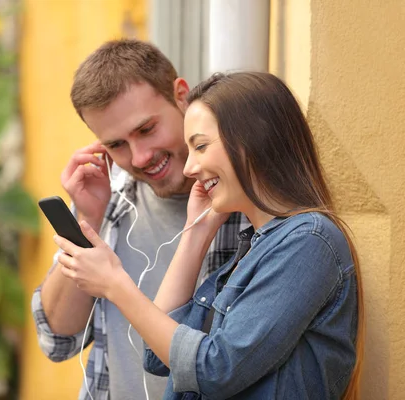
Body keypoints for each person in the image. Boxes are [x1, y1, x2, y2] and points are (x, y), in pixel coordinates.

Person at [54, 72, 364, 399]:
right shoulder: (249, 250)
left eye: (200, 146)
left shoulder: (308, 241)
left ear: (253, 140)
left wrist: (115, 284)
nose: (190, 168)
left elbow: (216, 369)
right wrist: (196, 232)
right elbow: (156, 354)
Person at [31, 40, 250, 400]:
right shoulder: (111, 200)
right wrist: (88, 216)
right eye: (116, 145)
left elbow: (226, 365)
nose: (140, 157)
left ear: (181, 95)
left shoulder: (244, 206)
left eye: (147, 129)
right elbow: (57, 339)